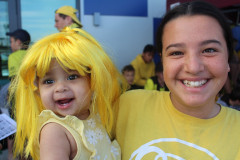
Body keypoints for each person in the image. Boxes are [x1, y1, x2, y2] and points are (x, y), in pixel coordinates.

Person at [115, 1, 240, 159]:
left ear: (228, 58)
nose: (193, 67)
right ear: (163, 61)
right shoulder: (127, 106)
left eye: (209, 50)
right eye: (176, 53)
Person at [9, 27, 126, 159]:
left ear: (93, 81)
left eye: (72, 77)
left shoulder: (92, 115)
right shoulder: (54, 131)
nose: (60, 88)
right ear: (38, 92)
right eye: (48, 81)